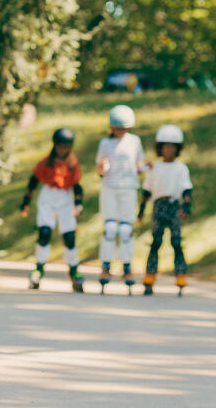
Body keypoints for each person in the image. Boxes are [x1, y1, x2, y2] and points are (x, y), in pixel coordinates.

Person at [20, 128, 85, 292]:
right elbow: (33, 180)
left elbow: (77, 185)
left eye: (66, 147)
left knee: (69, 236)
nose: (63, 149)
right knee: (45, 232)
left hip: (65, 196)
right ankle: (39, 268)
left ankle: (74, 270)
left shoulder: (72, 163)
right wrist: (26, 201)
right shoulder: (46, 162)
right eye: (60, 146)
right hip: (48, 195)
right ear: (55, 145)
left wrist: (78, 203)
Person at [96, 104, 149, 294]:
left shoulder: (134, 141)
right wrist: (102, 168)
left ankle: (127, 267)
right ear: (111, 127)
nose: (120, 131)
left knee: (126, 229)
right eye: (118, 127)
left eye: (124, 127)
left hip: (128, 188)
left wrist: (148, 167)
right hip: (109, 188)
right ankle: (106, 266)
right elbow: (100, 167)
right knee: (110, 228)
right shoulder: (105, 144)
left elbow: (139, 164)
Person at [138, 124, 193, 296]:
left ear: (177, 149)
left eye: (172, 146)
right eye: (165, 146)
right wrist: (141, 209)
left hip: (174, 205)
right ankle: (149, 276)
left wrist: (186, 206)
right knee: (156, 242)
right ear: (159, 148)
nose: (168, 149)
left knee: (176, 242)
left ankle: (181, 275)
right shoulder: (154, 167)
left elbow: (186, 189)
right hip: (158, 206)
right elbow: (146, 191)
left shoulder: (181, 168)